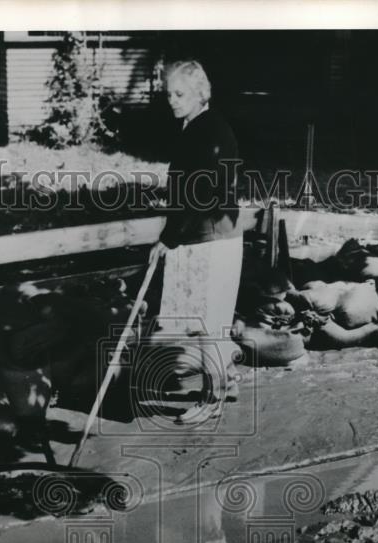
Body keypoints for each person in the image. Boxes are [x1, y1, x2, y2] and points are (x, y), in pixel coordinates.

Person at [145, 60, 243, 425]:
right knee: (208, 318)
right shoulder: (198, 127)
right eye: (169, 94)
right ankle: (227, 380)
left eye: (180, 94)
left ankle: (212, 398)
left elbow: (200, 192)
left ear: (201, 93)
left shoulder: (209, 131)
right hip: (204, 237)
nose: (172, 100)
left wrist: (168, 239)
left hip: (210, 240)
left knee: (207, 321)